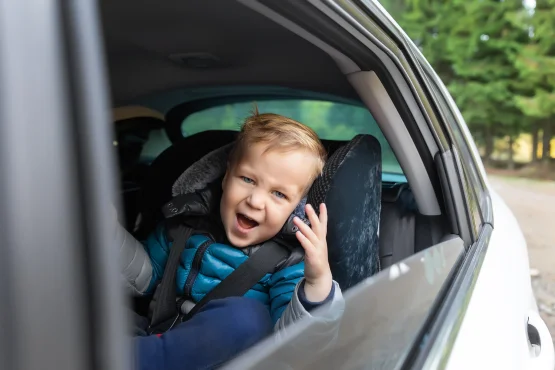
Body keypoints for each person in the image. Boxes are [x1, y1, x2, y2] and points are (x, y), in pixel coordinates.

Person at [117, 109, 344, 370]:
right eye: (247, 179)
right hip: (157, 337)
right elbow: (143, 279)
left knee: (247, 319)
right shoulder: (186, 227)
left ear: (297, 207)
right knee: (98, 306)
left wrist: (317, 282)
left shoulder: (289, 263)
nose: (255, 201)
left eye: (279, 194)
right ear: (226, 177)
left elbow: (299, 344)